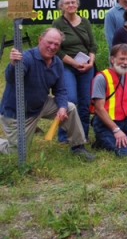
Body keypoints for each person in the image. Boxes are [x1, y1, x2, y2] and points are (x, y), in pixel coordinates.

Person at [0, 28, 95, 161]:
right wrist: (12, 64)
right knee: (16, 153)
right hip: (18, 113)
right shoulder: (26, 58)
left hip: (40, 105)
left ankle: (78, 147)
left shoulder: (57, 63)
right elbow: (11, 79)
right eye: (49, 42)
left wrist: (62, 107)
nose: (52, 47)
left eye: (56, 44)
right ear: (40, 40)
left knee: (70, 107)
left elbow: (60, 90)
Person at [51, 0, 96, 143]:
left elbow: (92, 46)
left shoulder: (85, 22)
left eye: (73, 2)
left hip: (86, 67)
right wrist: (75, 63)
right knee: (70, 99)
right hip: (66, 66)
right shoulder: (58, 23)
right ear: (61, 6)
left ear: (77, 4)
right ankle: (64, 136)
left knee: (85, 102)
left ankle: (82, 135)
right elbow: (57, 49)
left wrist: (90, 62)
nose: (70, 5)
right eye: (67, 3)